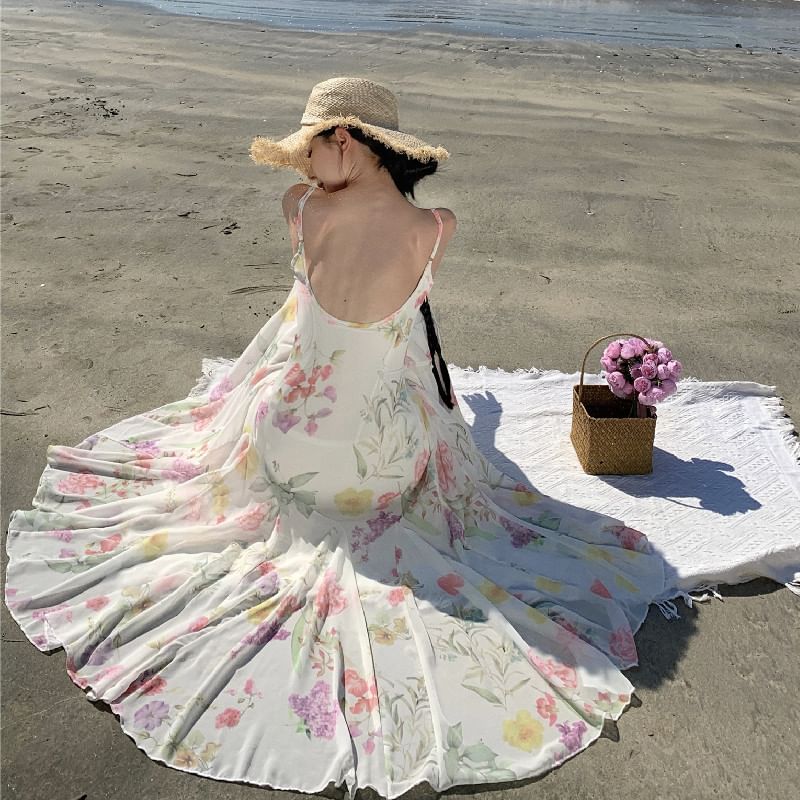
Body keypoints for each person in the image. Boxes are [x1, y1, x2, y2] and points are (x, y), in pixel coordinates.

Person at [4, 76, 668, 799]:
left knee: (259, 407)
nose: (304, 166)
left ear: (343, 139)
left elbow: (308, 306)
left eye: (309, 149)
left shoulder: (301, 208)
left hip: (288, 443)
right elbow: (406, 332)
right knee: (430, 437)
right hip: (378, 468)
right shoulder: (435, 228)